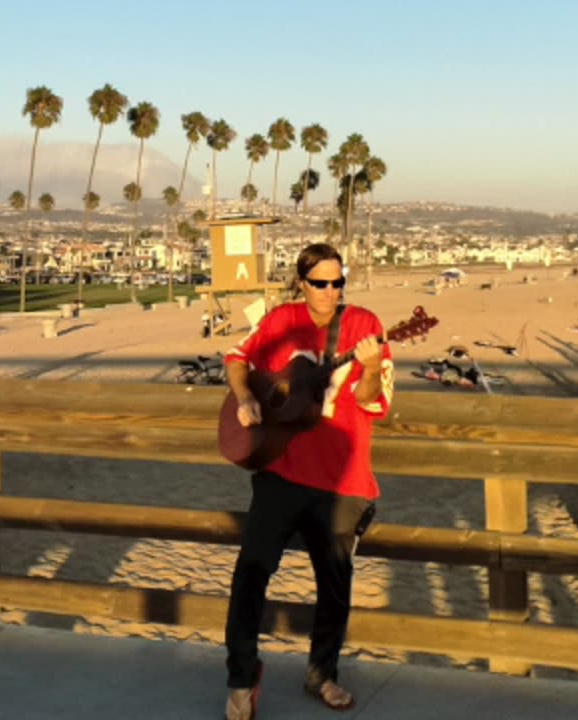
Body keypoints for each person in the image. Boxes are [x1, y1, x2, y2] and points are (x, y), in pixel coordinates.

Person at [222, 243, 393, 720]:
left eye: (339, 282)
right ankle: (241, 676)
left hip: (342, 479)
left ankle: (323, 673)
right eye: (321, 283)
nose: (331, 292)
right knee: (252, 570)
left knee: (334, 583)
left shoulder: (365, 325)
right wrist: (244, 398)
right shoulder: (280, 321)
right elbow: (237, 357)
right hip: (280, 471)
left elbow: (372, 403)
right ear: (302, 283)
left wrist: (374, 366)